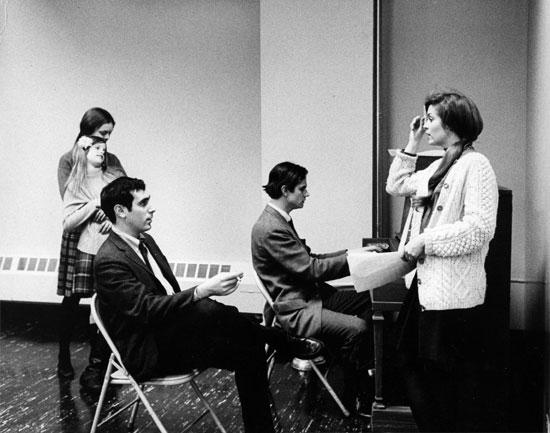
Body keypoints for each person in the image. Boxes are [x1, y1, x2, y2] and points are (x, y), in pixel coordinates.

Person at [94, 176, 323, 433]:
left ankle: (263, 414)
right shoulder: (109, 260)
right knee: (209, 309)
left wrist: (198, 298)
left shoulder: (146, 241)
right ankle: (280, 339)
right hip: (149, 352)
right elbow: (146, 309)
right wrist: (201, 292)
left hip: (172, 334)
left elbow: (168, 297)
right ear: (121, 211)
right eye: (143, 203)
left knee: (247, 346)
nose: (152, 208)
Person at [385, 91, 498, 432]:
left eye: (431, 118)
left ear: (451, 123)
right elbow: (396, 185)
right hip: (427, 287)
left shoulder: (476, 165)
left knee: (441, 380)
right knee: (408, 359)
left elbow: (479, 229)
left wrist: (425, 241)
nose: (426, 124)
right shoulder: (441, 164)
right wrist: (412, 143)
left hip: (452, 295)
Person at [251, 161, 377, 417]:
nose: (307, 193)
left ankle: (355, 370)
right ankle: (353, 393)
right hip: (297, 308)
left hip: (309, 296)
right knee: (359, 328)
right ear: (285, 190)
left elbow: (310, 259)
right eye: (302, 188)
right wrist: (355, 262)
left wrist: (354, 253)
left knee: (368, 298)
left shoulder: (279, 220)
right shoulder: (271, 227)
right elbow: (311, 269)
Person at [56, 107, 126, 392]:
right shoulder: (68, 159)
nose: (107, 139)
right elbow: (69, 196)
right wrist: (98, 209)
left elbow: (122, 189)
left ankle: (101, 362)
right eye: (102, 133)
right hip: (80, 234)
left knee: (107, 296)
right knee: (72, 297)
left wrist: (110, 214)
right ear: (87, 131)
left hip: (105, 232)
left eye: (109, 134)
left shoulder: (111, 159)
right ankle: (63, 354)